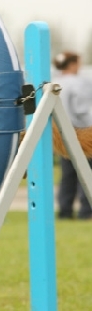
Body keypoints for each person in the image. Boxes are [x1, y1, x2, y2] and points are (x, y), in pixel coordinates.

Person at [54, 51, 92, 219]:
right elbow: (82, 110)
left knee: (67, 174)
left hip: (61, 132)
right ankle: (86, 211)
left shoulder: (54, 81)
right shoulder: (79, 84)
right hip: (81, 131)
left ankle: (65, 210)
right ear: (72, 64)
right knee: (87, 171)